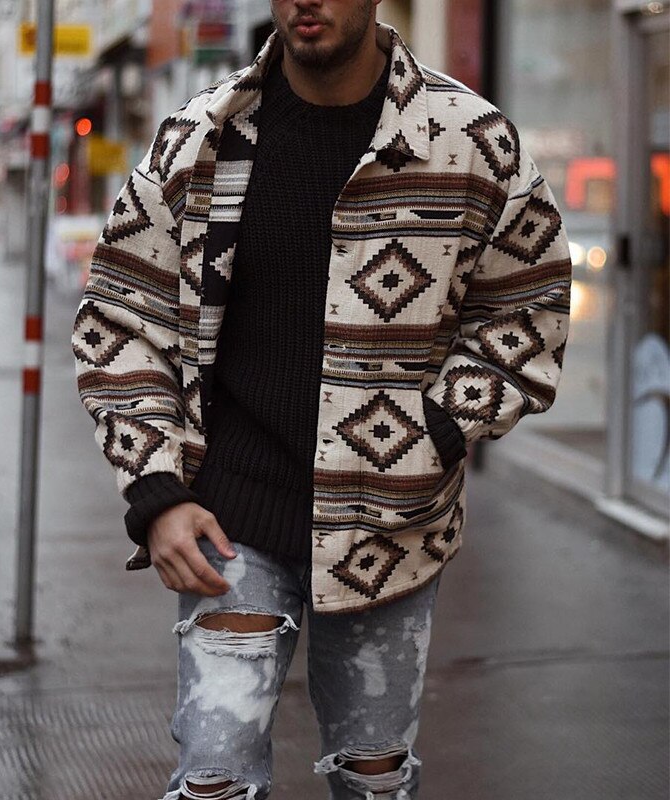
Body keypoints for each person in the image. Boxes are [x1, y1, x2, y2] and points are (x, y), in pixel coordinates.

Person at [72, 2, 572, 798]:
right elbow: (118, 318)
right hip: (230, 520)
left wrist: (438, 427)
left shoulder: (472, 141)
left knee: (375, 782)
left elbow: (527, 310)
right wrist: (156, 492)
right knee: (215, 781)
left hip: (391, 527)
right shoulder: (202, 139)